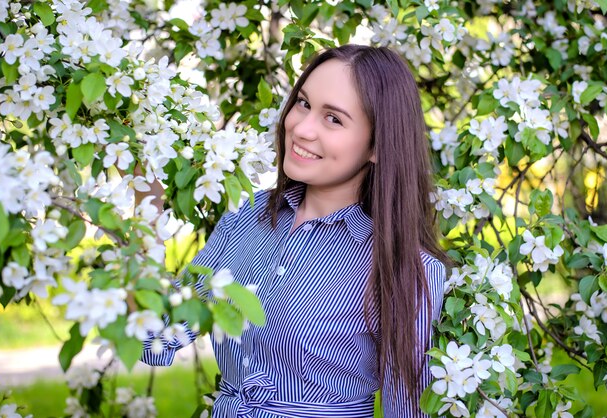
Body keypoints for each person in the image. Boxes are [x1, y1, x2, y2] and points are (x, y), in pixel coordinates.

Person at [141, 44, 448, 417]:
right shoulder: (246, 219)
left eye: (333, 119)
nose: (300, 128)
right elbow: (155, 340)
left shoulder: (404, 267)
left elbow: (408, 411)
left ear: (378, 145)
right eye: (303, 103)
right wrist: (146, 211)